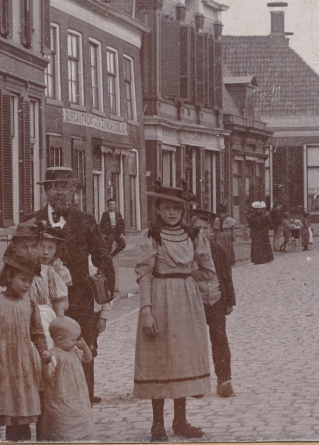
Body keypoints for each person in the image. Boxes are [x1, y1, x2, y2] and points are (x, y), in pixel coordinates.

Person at [24, 166, 115, 405]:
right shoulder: (32, 221)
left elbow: (103, 257)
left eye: (65, 186)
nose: (60, 192)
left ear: (73, 191)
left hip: (80, 297)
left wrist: (106, 295)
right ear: (46, 191)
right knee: (46, 345)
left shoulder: (86, 220)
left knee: (83, 344)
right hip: (43, 299)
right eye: (54, 187)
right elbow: (17, 258)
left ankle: (84, 397)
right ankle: (50, 399)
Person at [134, 184, 215, 440]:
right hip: (159, 298)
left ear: (184, 210)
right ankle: (157, 423)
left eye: (176, 208)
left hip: (187, 303)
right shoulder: (151, 236)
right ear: (157, 209)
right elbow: (144, 275)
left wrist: (188, 279)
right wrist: (146, 310)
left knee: (183, 357)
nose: (171, 212)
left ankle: (180, 421)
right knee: (160, 356)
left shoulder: (194, 236)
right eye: (166, 207)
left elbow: (208, 270)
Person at [0, 253, 48, 442]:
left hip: (23, 362)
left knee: (21, 404)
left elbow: (37, 331)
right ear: (9, 277)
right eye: (23, 279)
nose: (27, 285)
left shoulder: (30, 304)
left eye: (30, 281)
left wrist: (43, 351)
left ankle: (18, 439)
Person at [193, 209, 237, 398]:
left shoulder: (217, 249)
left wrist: (229, 301)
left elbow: (226, 276)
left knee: (219, 338)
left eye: (205, 228)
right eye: (197, 228)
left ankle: (224, 380)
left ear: (211, 229)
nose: (201, 232)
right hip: (195, 300)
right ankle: (195, 382)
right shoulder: (187, 251)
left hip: (217, 299)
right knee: (195, 341)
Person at [39, 316, 97, 441]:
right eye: (73, 340)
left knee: (83, 425)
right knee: (64, 431)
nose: (76, 342)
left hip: (78, 400)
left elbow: (88, 359)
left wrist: (85, 347)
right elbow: (47, 377)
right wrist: (46, 363)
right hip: (62, 403)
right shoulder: (54, 356)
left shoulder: (74, 350)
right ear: (59, 340)